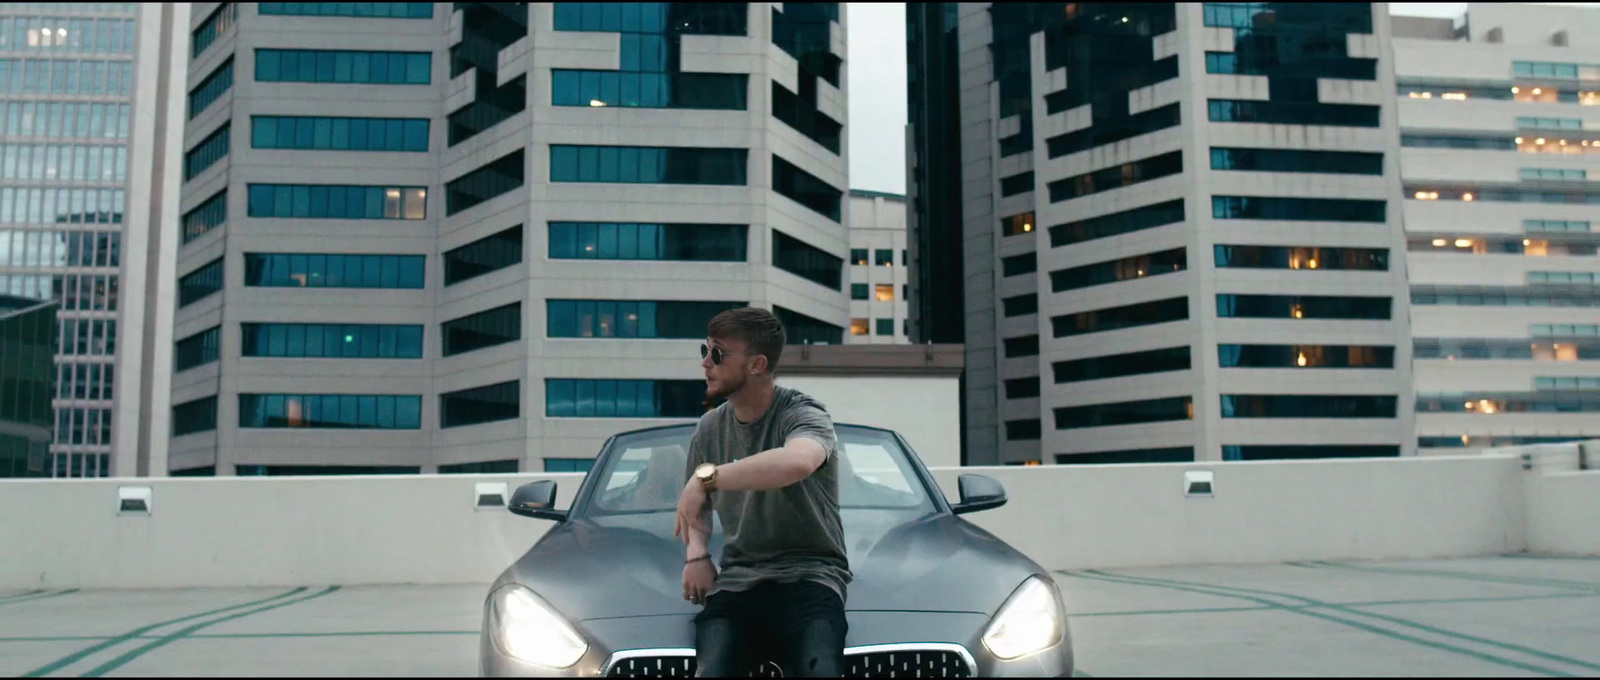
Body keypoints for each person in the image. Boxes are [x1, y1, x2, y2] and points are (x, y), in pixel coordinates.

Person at [672, 307, 851, 677]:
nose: (705, 363)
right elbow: (695, 507)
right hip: (738, 579)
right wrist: (697, 555)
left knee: (822, 668)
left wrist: (709, 477)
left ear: (756, 364)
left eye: (717, 354)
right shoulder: (709, 429)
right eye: (704, 350)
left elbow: (797, 461)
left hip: (811, 574)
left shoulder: (803, 413)